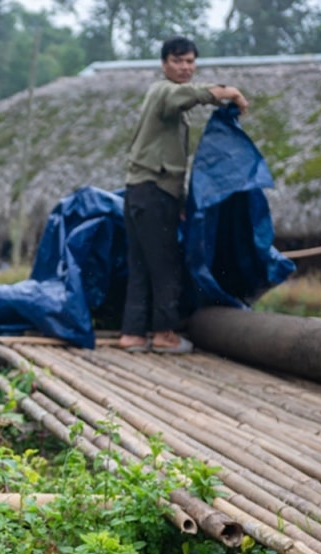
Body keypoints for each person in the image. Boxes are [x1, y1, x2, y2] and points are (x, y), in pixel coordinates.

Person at [118, 36, 249, 354]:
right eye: (178, 61)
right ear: (164, 64)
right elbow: (185, 97)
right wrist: (226, 93)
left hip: (141, 192)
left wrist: (178, 203)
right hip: (152, 193)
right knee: (165, 265)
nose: (185, 67)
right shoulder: (163, 91)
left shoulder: (167, 100)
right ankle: (164, 334)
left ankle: (133, 334)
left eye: (190, 61)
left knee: (142, 266)